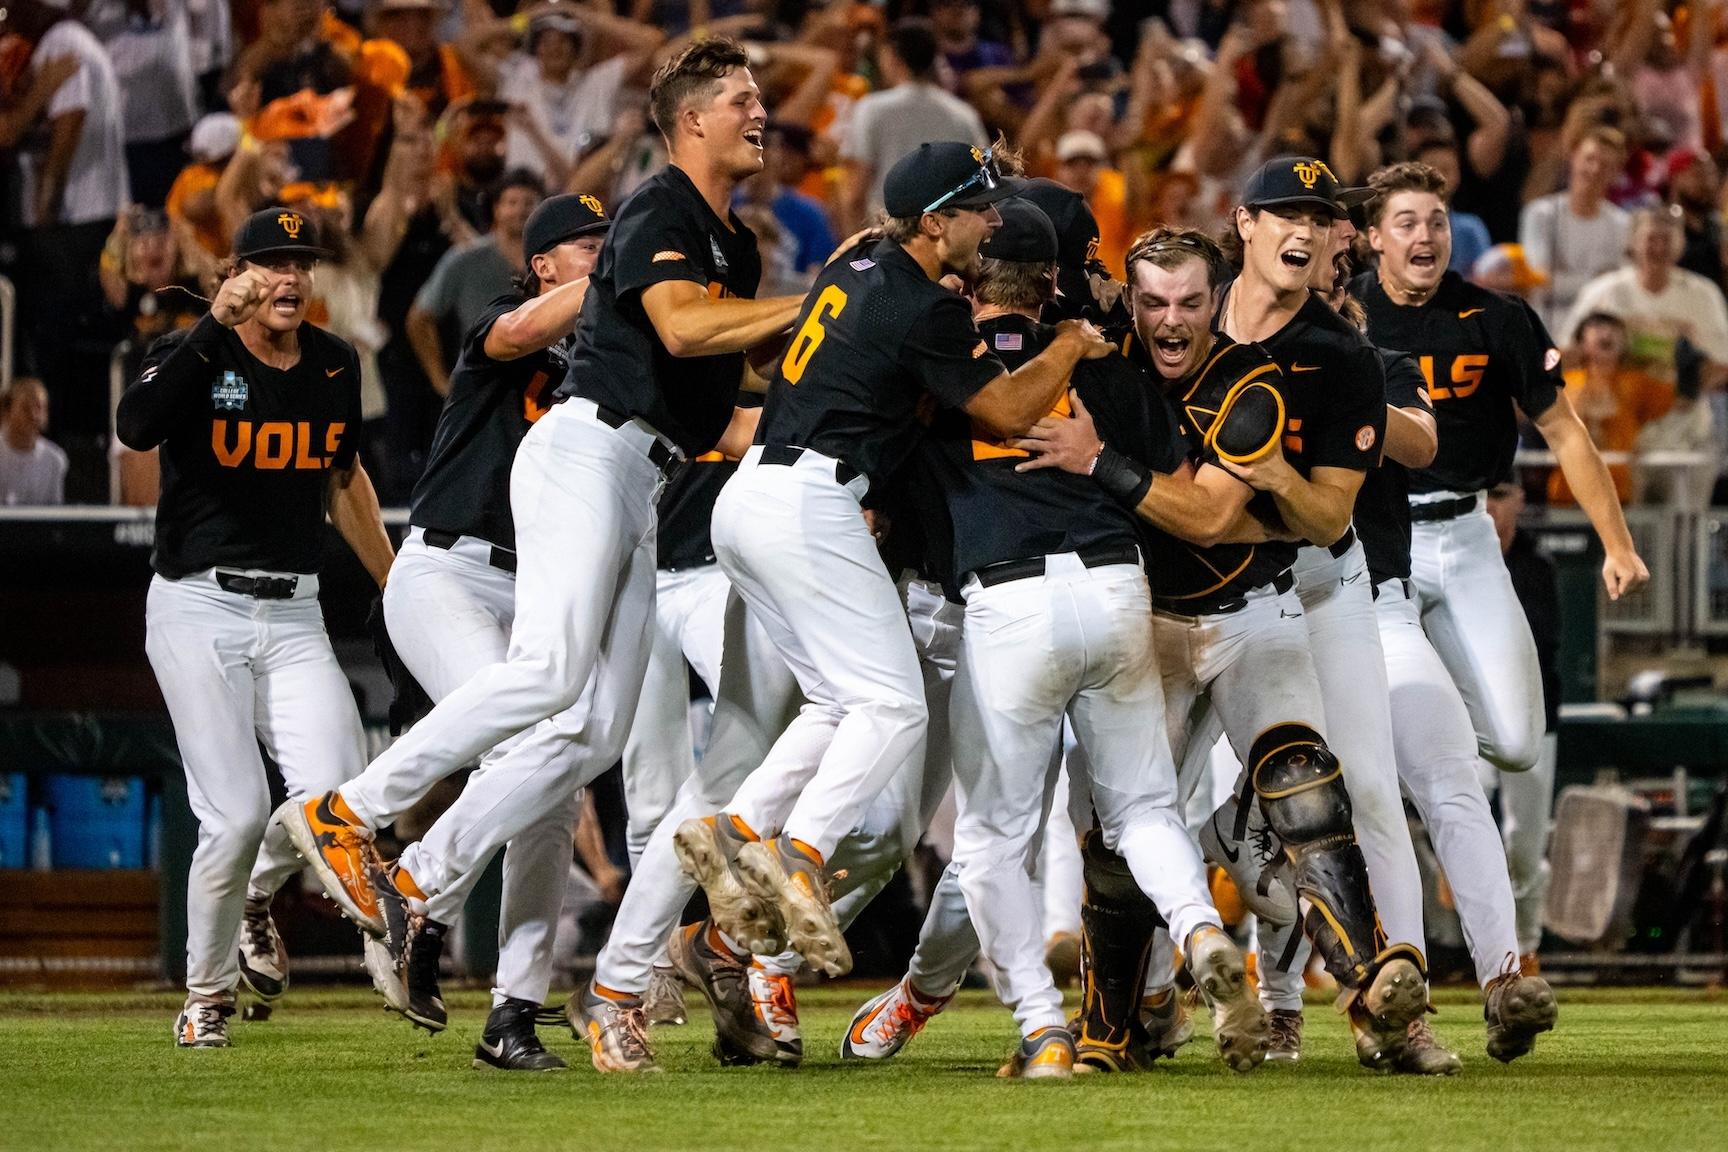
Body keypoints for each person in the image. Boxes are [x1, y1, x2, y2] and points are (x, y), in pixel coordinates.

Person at [276, 39, 809, 1075]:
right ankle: (352, 814)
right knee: (553, 677)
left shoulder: (728, 246)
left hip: (642, 478)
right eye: (742, 99)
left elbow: (720, 391)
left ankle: (420, 882)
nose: (761, 112)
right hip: (581, 457)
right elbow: (678, 328)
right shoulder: (655, 212)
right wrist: (822, 299)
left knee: (592, 730)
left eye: (760, 97)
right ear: (691, 119)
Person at [672, 140, 1111, 994]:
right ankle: (795, 855)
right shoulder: (924, 304)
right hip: (812, 501)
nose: (992, 221)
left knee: (843, 700)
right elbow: (1012, 410)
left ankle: (739, 827)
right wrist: (1066, 345)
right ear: (936, 220)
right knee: (894, 705)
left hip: (753, 493)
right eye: (978, 208)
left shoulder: (859, 262)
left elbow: (768, 360)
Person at [1017, 201, 1428, 1073]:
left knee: (1304, 779)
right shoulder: (1092, 362)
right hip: (1141, 627)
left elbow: (1206, 516)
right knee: (1117, 833)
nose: (1172, 321)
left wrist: (1101, 464)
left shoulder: (1252, 381)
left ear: (1216, 300)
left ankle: (1369, 979)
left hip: (1250, 615)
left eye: (1190, 303)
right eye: (1155, 303)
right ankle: (1113, 1030)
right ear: (1130, 303)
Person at [918, 198, 1270, 1078]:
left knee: (996, 839)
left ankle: (1043, 1030)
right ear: (1052, 283)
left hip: (1007, 603)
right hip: (1118, 587)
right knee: (1144, 809)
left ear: (966, 280)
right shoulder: (1112, 372)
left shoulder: (938, 367)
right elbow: (1185, 492)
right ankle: (1197, 930)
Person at [114, 207, 393, 1048]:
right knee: (233, 815)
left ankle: (258, 899)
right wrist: (211, 325)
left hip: (295, 607)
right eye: (270, 261)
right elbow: (136, 426)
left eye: (300, 263)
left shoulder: (336, 364)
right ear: (235, 271)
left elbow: (344, 477)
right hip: (197, 603)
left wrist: (395, 583)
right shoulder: (192, 351)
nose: (289, 277)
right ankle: (204, 997)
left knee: (339, 804)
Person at [348, 193, 609, 1067]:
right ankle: (394, 872)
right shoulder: (506, 315)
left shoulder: (611, 352)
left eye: (612, 243)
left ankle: (512, 1009)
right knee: (521, 749)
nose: (605, 254)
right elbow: (518, 335)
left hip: (533, 588)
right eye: (589, 245)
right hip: (447, 571)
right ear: (543, 262)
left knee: (554, 776)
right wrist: (632, 266)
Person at [1353, 160, 1647, 784]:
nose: (1425, 237)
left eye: (1437, 222)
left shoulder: (1497, 316)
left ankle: (1419, 736)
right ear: (1375, 236)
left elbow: (1565, 429)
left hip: (1467, 532)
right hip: (1371, 541)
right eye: (1406, 223)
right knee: (1359, 732)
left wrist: (1618, 545)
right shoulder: (1343, 316)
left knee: (1517, 745)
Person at [1484, 481, 1563, 978]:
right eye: (1486, 494)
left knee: (1526, 843)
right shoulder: (1453, 557)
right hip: (1472, 712)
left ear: (1519, 501)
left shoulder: (1536, 562)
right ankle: (1486, 951)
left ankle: (1526, 946)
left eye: (1502, 493)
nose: (1493, 504)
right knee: (1458, 810)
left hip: (1534, 714)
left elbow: (1542, 643)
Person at [837, 18, 987, 232]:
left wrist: (856, 251)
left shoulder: (871, 109)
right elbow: (980, 184)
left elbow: (855, 193)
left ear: (891, 57)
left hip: (887, 241)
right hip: (947, 239)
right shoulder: (963, 115)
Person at [406, 170, 546, 397]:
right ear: (496, 209)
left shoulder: (557, 260)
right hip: (481, 389)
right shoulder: (466, 259)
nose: (520, 210)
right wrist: (441, 382)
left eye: (529, 203)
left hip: (543, 391)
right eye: (512, 202)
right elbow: (418, 318)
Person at [1559, 205, 1728, 390]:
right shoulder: (1602, 291)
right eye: (1651, 239)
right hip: (1614, 411)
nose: (1659, 247)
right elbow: (1567, 353)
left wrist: (1688, 391)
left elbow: (1722, 364)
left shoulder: (1704, 295)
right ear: (1633, 242)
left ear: (1681, 245)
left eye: (1667, 239)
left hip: (1682, 414)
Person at [1550, 312, 1674, 506]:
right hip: (1568, 491)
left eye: (1615, 330)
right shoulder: (1567, 382)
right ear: (1582, 343)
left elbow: (1673, 398)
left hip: (1619, 492)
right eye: (1598, 327)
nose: (1607, 333)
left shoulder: (1637, 384)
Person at [1519, 126, 1631, 334]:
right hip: (1544, 329)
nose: (1595, 169)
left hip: (1596, 335)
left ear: (1616, 173)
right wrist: (1599, 279)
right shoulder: (1541, 214)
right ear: (1573, 158)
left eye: (1606, 165)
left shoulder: (1623, 224)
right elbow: (1539, 281)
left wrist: (1562, 278)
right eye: (1590, 159)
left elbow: (1621, 289)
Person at [0, 379, 68, 506]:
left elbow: (53, 514)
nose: (33, 415)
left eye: (39, 407)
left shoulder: (55, 460)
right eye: (25, 408)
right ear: (8, 412)